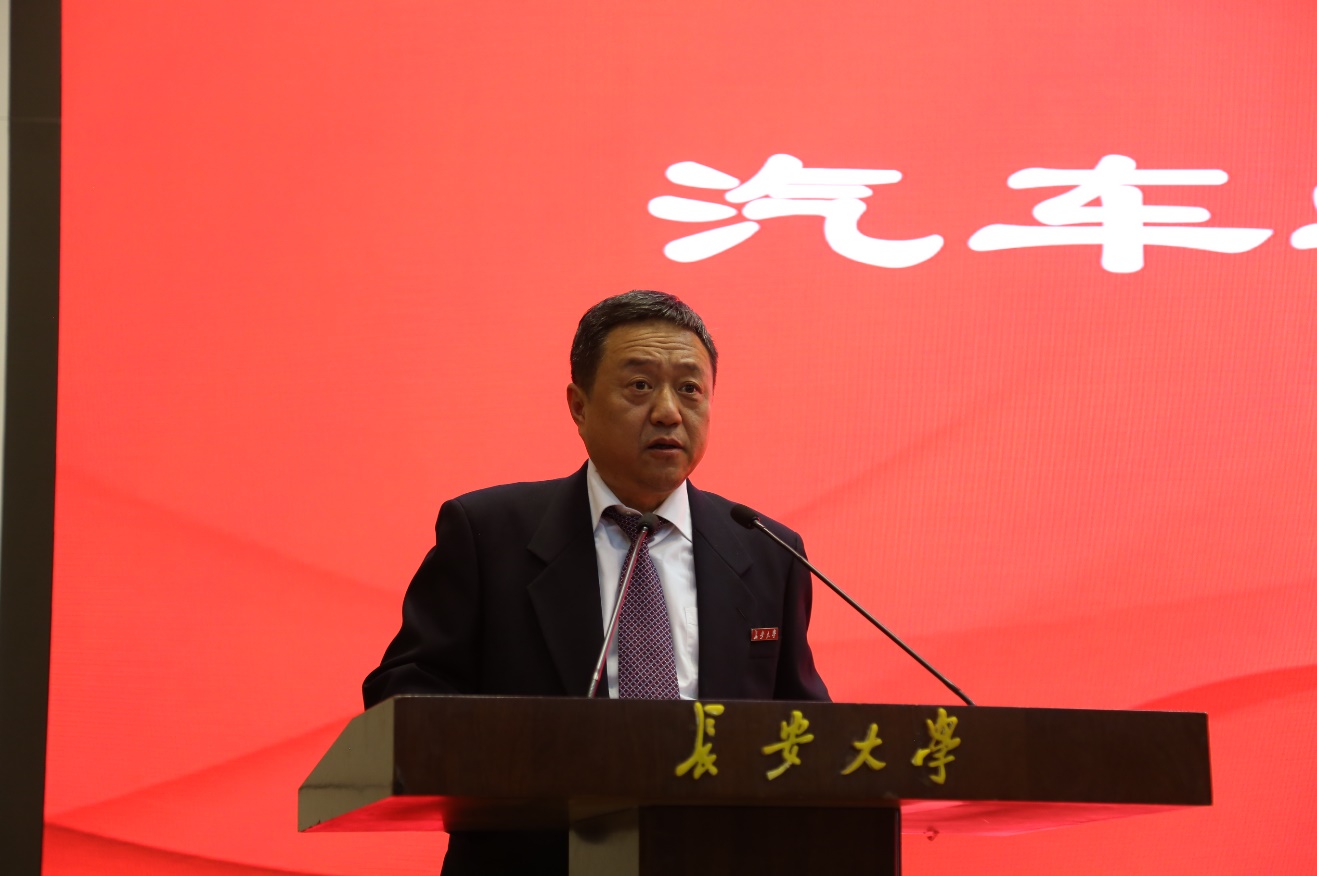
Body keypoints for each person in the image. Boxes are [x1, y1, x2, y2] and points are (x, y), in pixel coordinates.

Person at [363, 290, 829, 875]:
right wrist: (526, 753)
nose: (668, 412)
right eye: (640, 386)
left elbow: (805, 725)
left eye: (690, 388)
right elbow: (405, 693)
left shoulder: (767, 550)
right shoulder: (487, 533)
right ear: (578, 406)